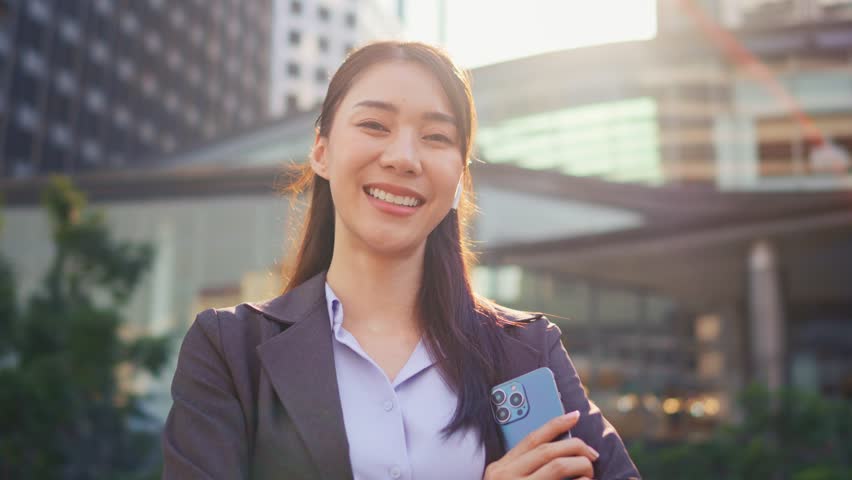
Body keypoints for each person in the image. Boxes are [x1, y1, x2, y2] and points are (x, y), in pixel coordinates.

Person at [161, 41, 641, 480]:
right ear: (322, 151)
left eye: (435, 137)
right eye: (374, 125)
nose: (404, 157)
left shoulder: (527, 351)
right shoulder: (229, 350)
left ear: (458, 176)